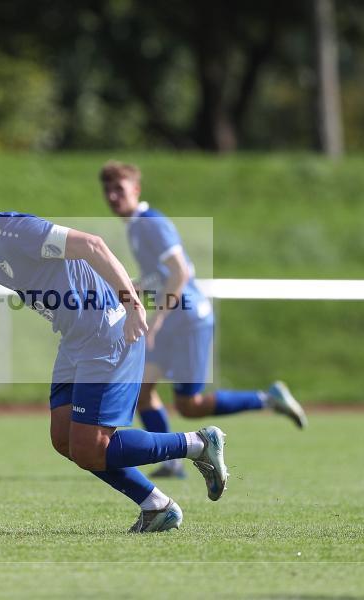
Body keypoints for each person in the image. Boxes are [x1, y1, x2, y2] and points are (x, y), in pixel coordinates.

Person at [0, 163, 229, 533]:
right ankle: (157, 505)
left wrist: (134, 305)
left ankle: (197, 443)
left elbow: (93, 245)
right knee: (64, 440)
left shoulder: (18, 230)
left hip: (107, 333)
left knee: (91, 446)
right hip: (75, 340)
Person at [99, 161, 307, 479]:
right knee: (142, 390)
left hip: (188, 320)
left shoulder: (151, 222)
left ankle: (268, 399)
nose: (113, 197)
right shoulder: (136, 225)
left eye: (119, 189)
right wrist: (133, 287)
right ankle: (171, 462)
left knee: (190, 405)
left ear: (136, 190)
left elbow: (181, 272)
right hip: (173, 321)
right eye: (108, 191)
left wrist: (157, 319)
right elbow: (163, 275)